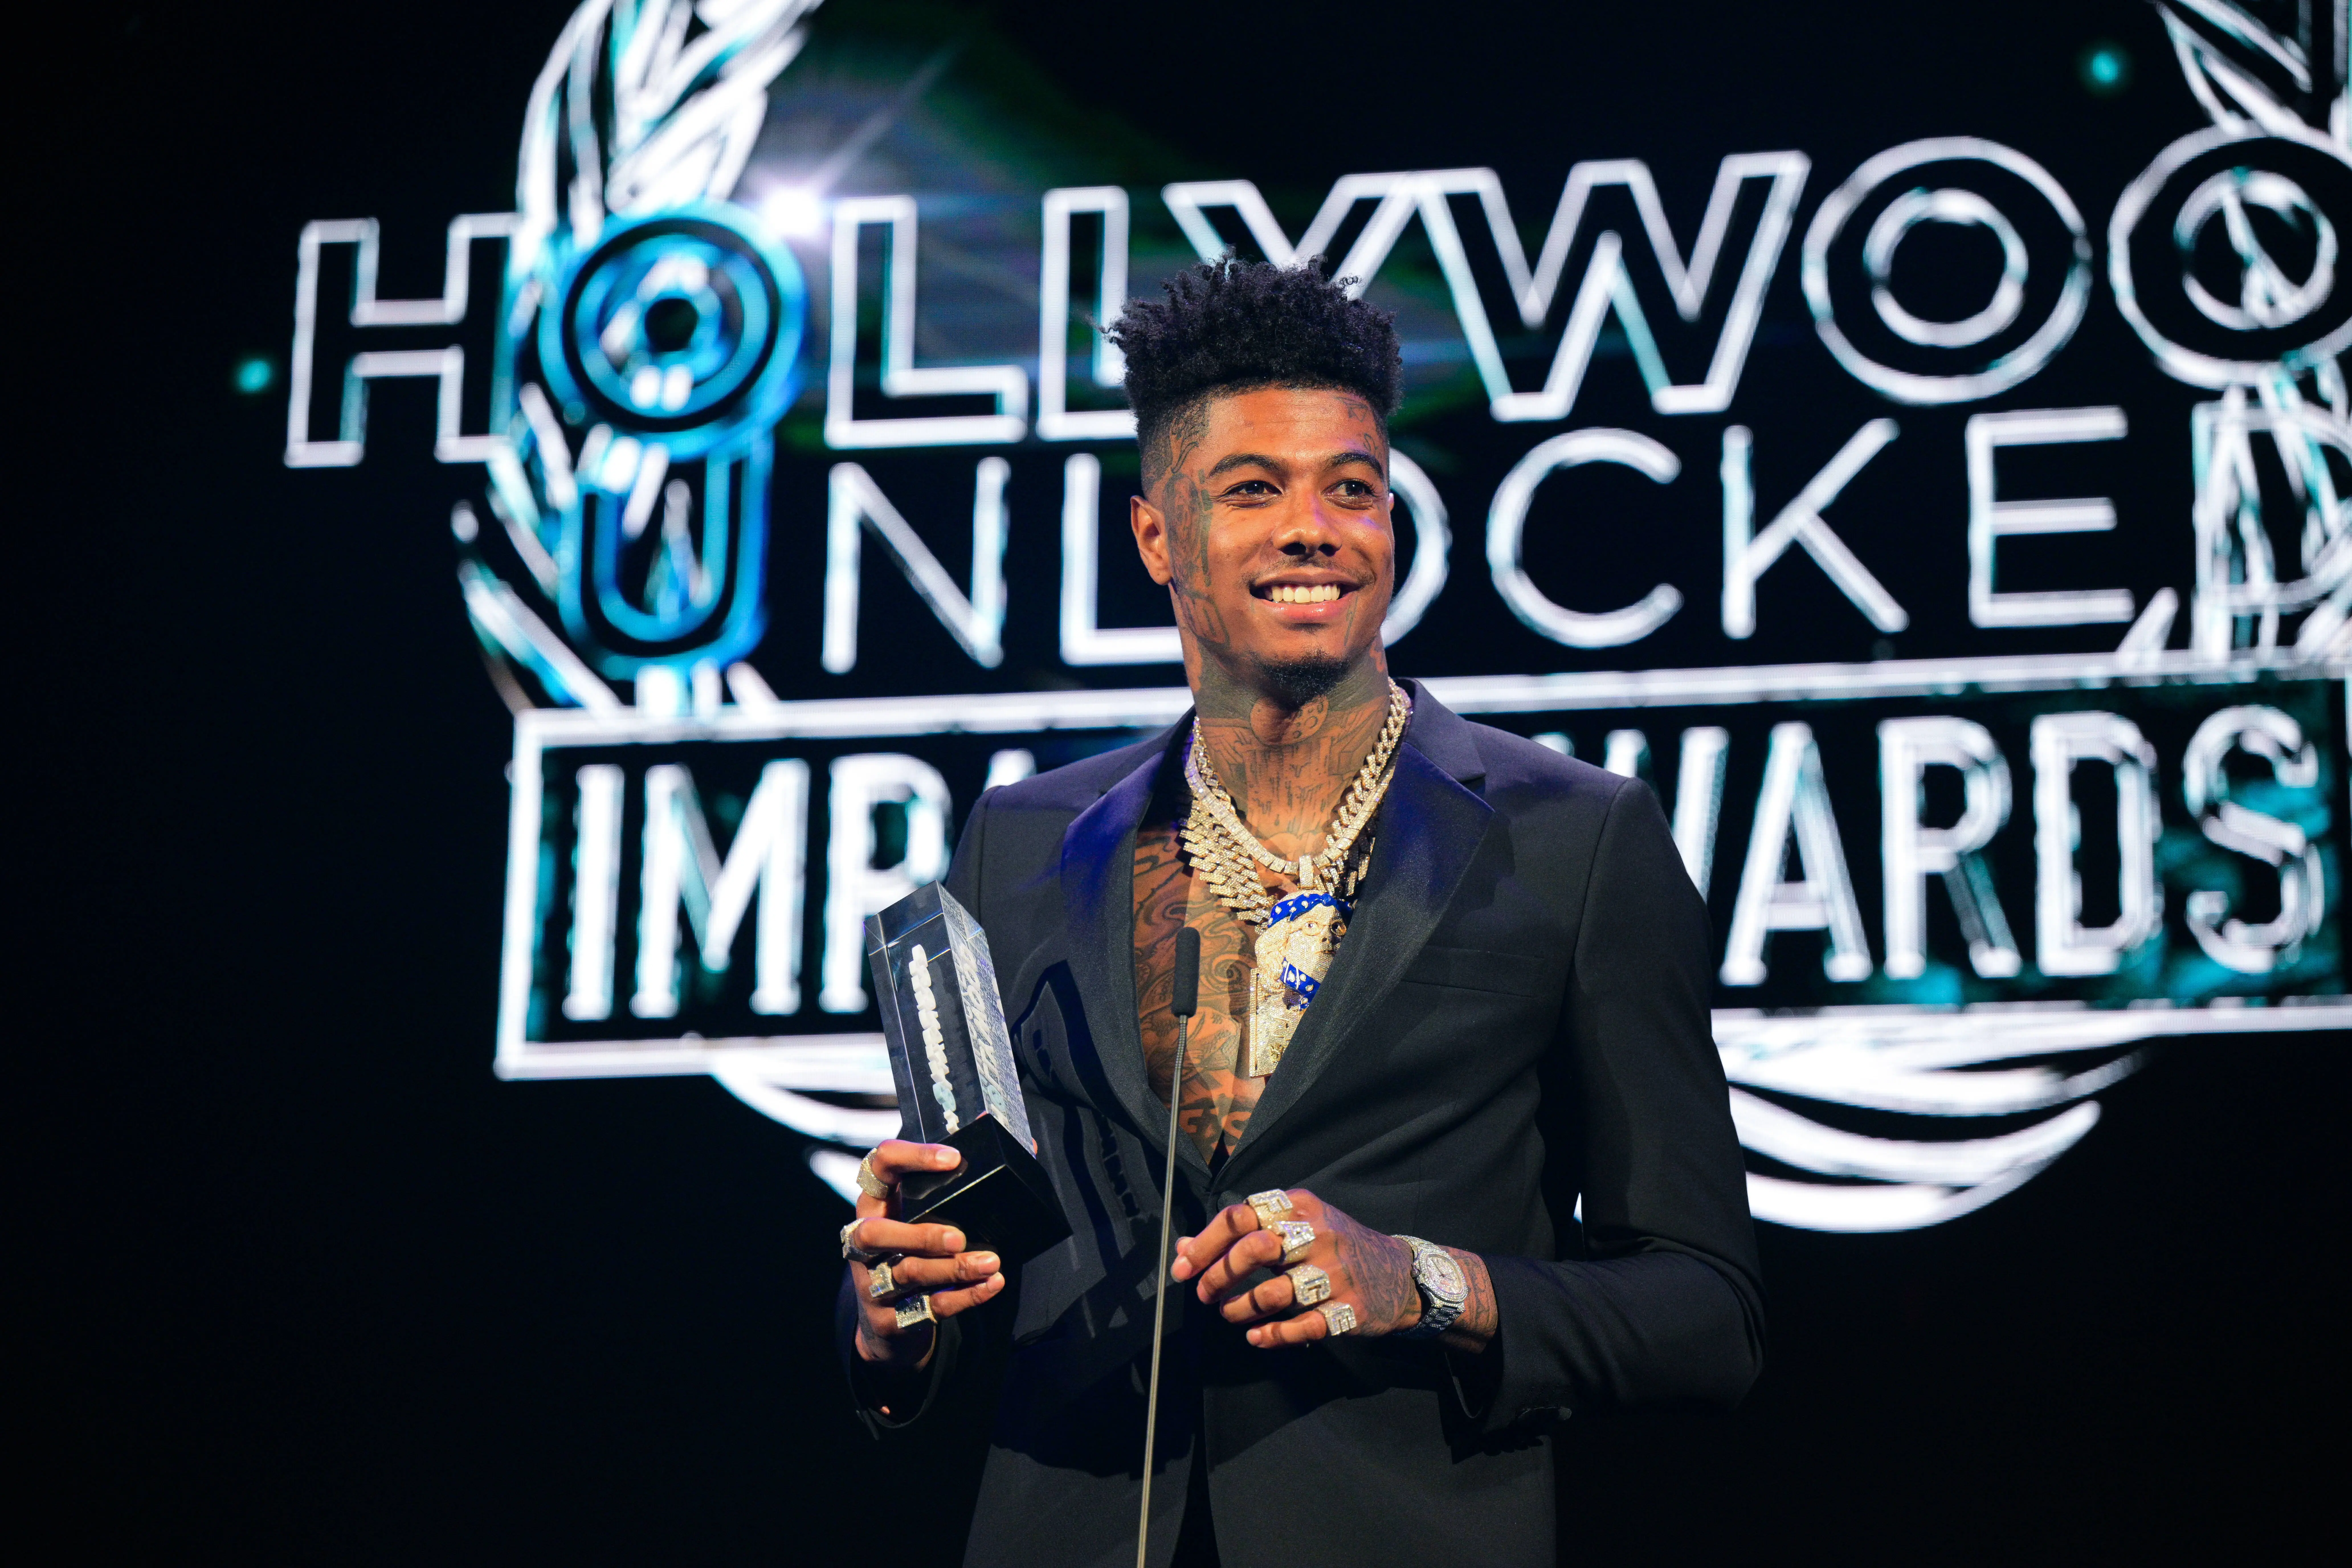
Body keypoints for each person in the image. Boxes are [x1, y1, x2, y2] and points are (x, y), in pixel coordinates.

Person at [834, 256, 1762, 1568]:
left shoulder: (1575, 839)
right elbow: (971, 1277)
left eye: (1353, 488)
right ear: (1158, 532)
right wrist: (893, 1310)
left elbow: (1707, 1308)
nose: (1314, 527)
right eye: (1254, 488)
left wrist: (1426, 1283)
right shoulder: (1023, 843)